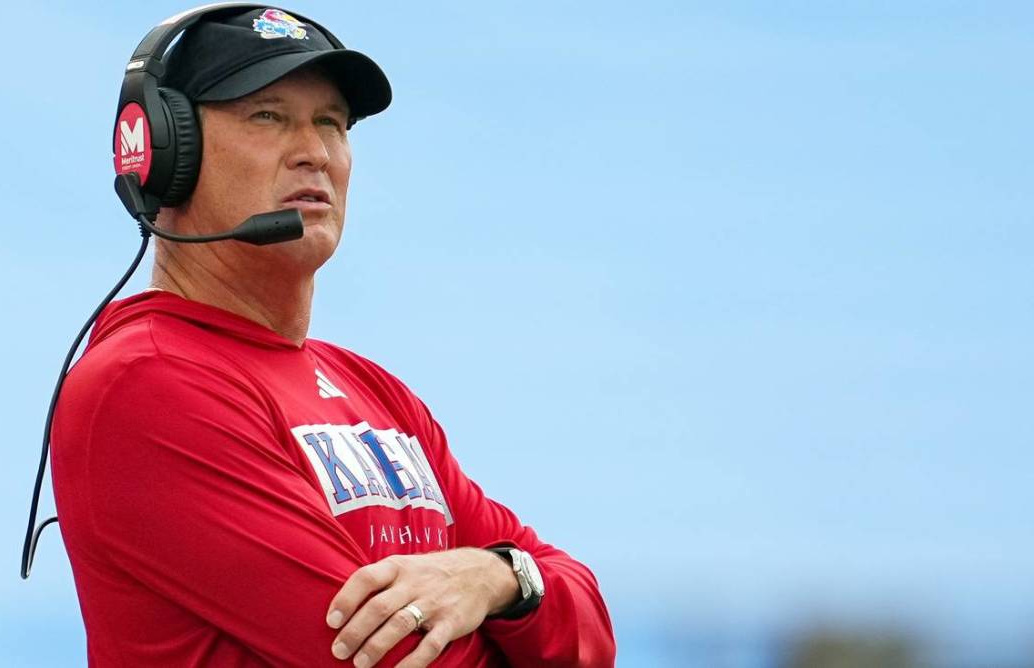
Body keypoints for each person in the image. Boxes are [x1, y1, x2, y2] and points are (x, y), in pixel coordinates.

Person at [51, 6, 616, 667]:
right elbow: (390, 657)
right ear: (166, 153)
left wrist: (495, 577)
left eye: (331, 123)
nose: (314, 151)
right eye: (268, 115)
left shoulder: (376, 393)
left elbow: (590, 637)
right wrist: (518, 604)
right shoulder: (144, 383)